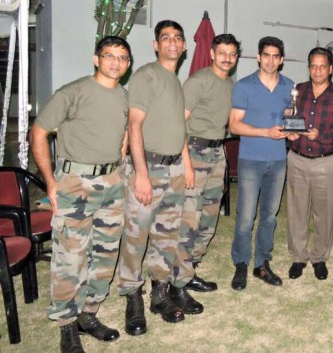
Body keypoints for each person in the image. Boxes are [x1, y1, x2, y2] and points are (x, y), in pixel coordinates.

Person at [30, 36, 131, 352]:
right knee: (70, 257)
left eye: (123, 57)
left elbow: (125, 133)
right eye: (109, 55)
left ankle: (89, 314)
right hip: (76, 183)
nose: (116, 62)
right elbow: (39, 132)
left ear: (128, 65)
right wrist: (50, 181)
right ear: (96, 59)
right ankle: (67, 324)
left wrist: (122, 164)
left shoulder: (125, 96)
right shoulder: (72, 92)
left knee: (104, 253)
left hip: (112, 183)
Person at [117, 20, 200, 337]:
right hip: (148, 167)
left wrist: (187, 165)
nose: (172, 43)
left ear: (183, 46)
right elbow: (134, 125)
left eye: (178, 38)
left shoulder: (175, 80)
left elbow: (178, 128)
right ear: (156, 45)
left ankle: (159, 294)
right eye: (165, 38)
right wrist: (141, 174)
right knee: (137, 237)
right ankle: (132, 296)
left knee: (167, 236)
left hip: (175, 169)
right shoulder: (146, 75)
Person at [173, 34, 240, 295]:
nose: (227, 58)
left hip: (217, 154)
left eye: (232, 54)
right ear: (212, 54)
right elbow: (179, 124)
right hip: (194, 151)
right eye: (222, 53)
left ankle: (191, 268)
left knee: (209, 216)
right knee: (189, 217)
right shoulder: (199, 81)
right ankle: (178, 279)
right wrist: (187, 165)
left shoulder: (230, 85)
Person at [229, 36, 294, 290]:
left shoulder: (289, 86)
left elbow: (289, 118)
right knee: (246, 216)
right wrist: (266, 132)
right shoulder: (244, 86)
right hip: (251, 160)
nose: (270, 60)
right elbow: (234, 125)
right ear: (258, 57)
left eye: (275, 56)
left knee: (269, 216)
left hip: (278, 161)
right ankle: (241, 264)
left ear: (282, 60)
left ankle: (262, 264)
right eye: (266, 55)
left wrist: (292, 129)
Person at [286, 47, 333, 280]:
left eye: (322, 66)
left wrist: (320, 135)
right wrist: (290, 132)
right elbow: (290, 117)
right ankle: (298, 256)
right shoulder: (298, 90)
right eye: (313, 65)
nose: (317, 70)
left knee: (324, 213)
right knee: (296, 210)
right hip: (297, 159)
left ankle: (319, 257)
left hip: (326, 161)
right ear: (309, 68)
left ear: (331, 69)